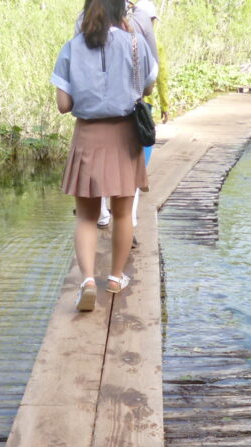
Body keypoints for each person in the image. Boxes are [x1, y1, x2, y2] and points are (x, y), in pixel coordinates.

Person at [52, 0, 157, 311]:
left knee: (86, 216)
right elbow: (147, 89)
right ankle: (114, 278)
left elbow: (63, 104)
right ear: (120, 11)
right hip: (125, 136)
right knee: (123, 213)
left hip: (88, 136)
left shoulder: (71, 47)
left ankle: (86, 281)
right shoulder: (135, 44)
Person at [96, 0, 166, 230]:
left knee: (100, 165)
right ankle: (129, 219)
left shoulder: (84, 33)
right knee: (132, 168)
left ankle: (102, 213)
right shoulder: (140, 29)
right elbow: (152, 76)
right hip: (132, 108)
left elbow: (65, 101)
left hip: (95, 113)